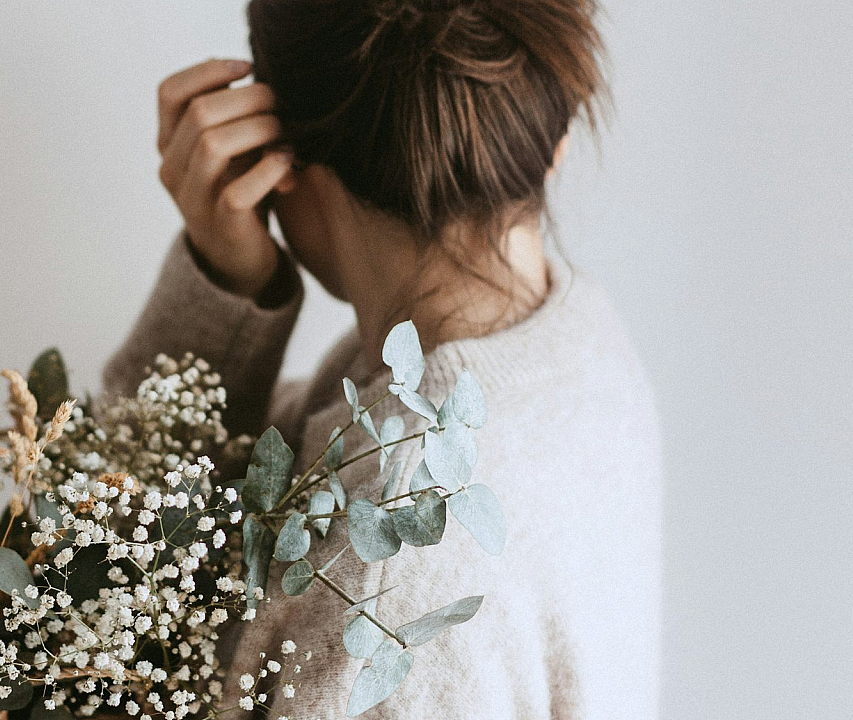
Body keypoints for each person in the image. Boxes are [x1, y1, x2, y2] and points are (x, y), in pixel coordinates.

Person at [103, 0, 662, 717]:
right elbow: (245, 491)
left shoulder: (378, 593)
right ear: (554, 137)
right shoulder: (569, 340)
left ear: (278, 161)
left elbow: (101, 586)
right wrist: (228, 287)